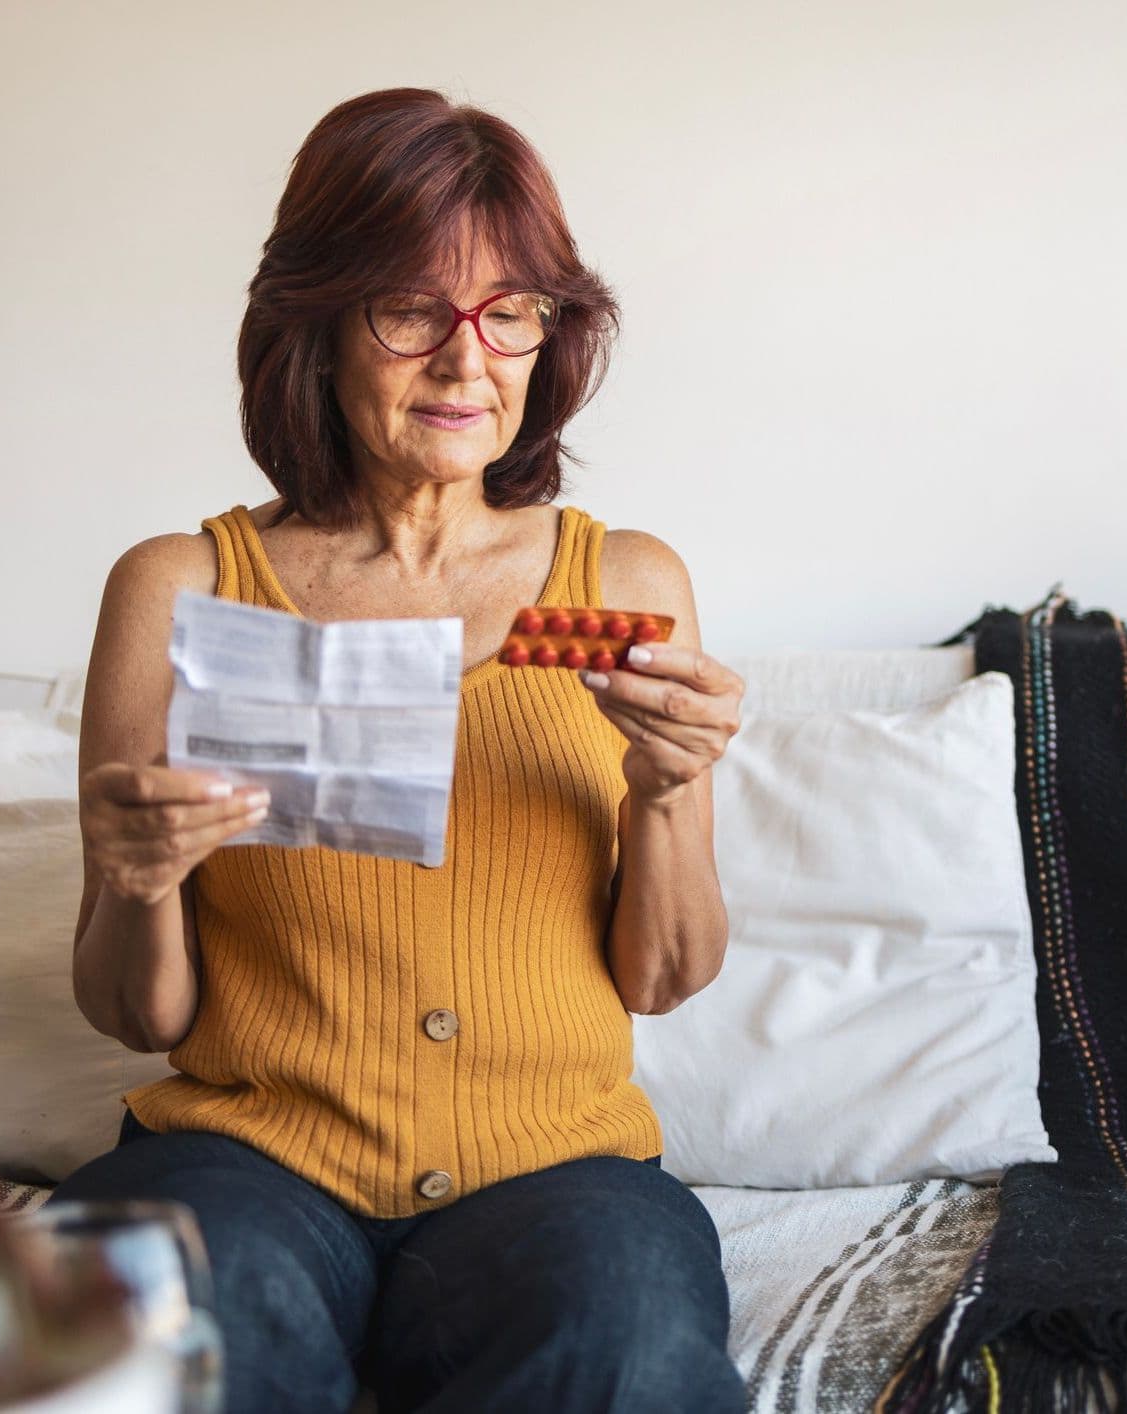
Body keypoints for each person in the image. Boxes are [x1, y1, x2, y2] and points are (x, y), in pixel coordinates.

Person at [47, 87, 748, 1414]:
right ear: (315, 321)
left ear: (553, 332)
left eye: (511, 311)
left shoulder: (629, 580)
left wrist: (667, 788)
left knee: (630, 1347)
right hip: (247, 1160)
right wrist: (136, 878)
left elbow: (662, 977)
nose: (466, 361)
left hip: (556, 1171)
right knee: (159, 1332)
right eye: (412, 308)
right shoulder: (181, 587)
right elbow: (135, 1013)